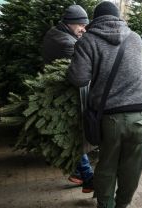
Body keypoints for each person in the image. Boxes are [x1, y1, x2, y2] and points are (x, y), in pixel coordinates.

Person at [68, 1, 142, 208]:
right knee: (132, 166)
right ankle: (122, 205)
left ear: (95, 20)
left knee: (107, 166)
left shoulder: (87, 41)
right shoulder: (135, 38)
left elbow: (78, 78)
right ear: (118, 18)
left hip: (111, 117)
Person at [41, 4, 94, 193]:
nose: (84, 29)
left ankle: (80, 173)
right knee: (75, 132)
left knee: (73, 133)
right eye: (81, 25)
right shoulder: (67, 43)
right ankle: (86, 174)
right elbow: (79, 73)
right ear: (70, 23)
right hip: (65, 95)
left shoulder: (55, 32)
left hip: (55, 90)